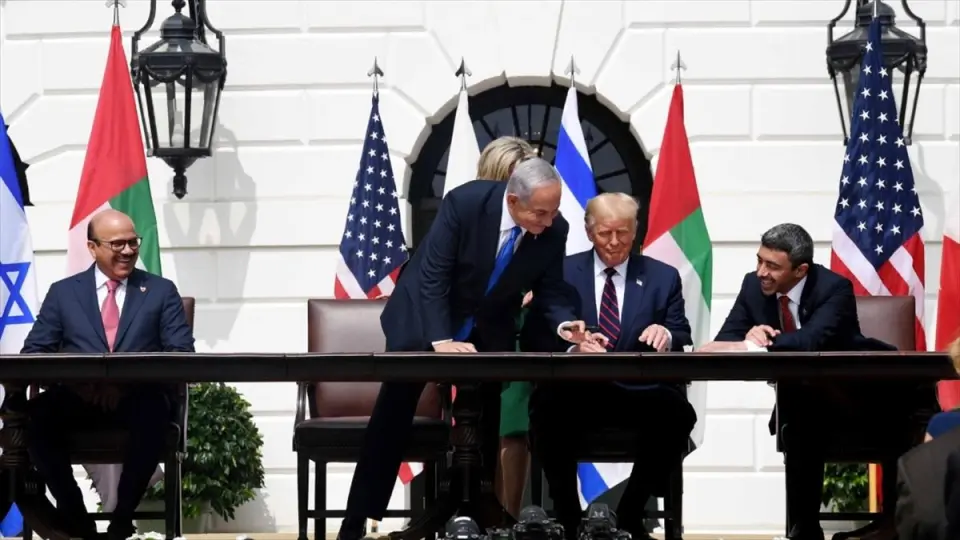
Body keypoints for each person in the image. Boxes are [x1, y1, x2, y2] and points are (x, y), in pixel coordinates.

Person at [337, 157, 592, 540]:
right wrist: (441, 340)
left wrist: (564, 323)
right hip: (425, 317)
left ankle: (479, 517)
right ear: (513, 201)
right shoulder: (465, 203)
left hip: (487, 328)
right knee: (393, 411)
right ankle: (356, 520)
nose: (549, 220)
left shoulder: (554, 230)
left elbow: (551, 290)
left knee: (485, 414)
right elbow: (433, 274)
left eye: (554, 211)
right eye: (541, 212)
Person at [699, 223, 899, 540]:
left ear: (800, 270)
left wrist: (756, 342)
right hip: (804, 402)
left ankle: (894, 523)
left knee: (807, 410)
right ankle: (804, 529)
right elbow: (725, 341)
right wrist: (745, 338)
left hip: (859, 395)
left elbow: (810, 342)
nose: (761, 272)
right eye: (759, 260)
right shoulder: (753, 285)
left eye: (772, 266)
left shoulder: (834, 288)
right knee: (800, 411)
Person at [522, 193, 696, 540]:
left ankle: (630, 514)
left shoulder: (662, 277)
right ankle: (569, 520)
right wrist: (572, 345)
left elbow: (681, 333)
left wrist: (665, 334)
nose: (615, 242)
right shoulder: (561, 273)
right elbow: (534, 336)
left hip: (640, 394)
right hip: (576, 392)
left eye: (623, 232)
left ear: (635, 231)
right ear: (589, 232)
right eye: (605, 233)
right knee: (545, 408)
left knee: (678, 413)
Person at [20, 209, 194, 540]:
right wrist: (83, 385)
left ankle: (122, 519)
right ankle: (74, 514)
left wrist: (124, 385)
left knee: (154, 411)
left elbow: (181, 353)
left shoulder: (160, 291)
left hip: (138, 399)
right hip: (76, 399)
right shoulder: (64, 293)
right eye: (117, 244)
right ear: (92, 247)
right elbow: (35, 353)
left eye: (133, 242)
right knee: (35, 418)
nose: (128, 251)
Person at [473, 136, 540, 519]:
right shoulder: (471, 219)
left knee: (514, 427)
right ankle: (480, 515)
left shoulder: (539, 222)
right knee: (479, 426)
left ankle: (509, 519)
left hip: (522, 335)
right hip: (477, 337)